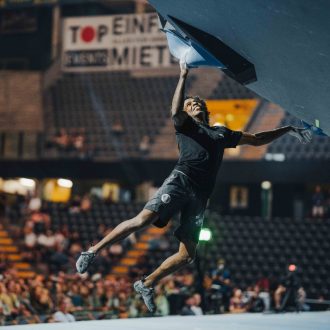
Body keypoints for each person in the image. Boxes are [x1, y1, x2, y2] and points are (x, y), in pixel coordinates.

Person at [76, 63, 312, 313]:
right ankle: (91, 252)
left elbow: (256, 139)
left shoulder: (220, 133)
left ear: (204, 109)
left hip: (200, 196)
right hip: (180, 181)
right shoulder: (185, 126)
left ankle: (146, 283)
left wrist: (287, 129)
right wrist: (183, 75)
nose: (193, 105)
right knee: (142, 220)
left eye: (196, 103)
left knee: (187, 255)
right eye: (189, 105)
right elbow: (175, 109)